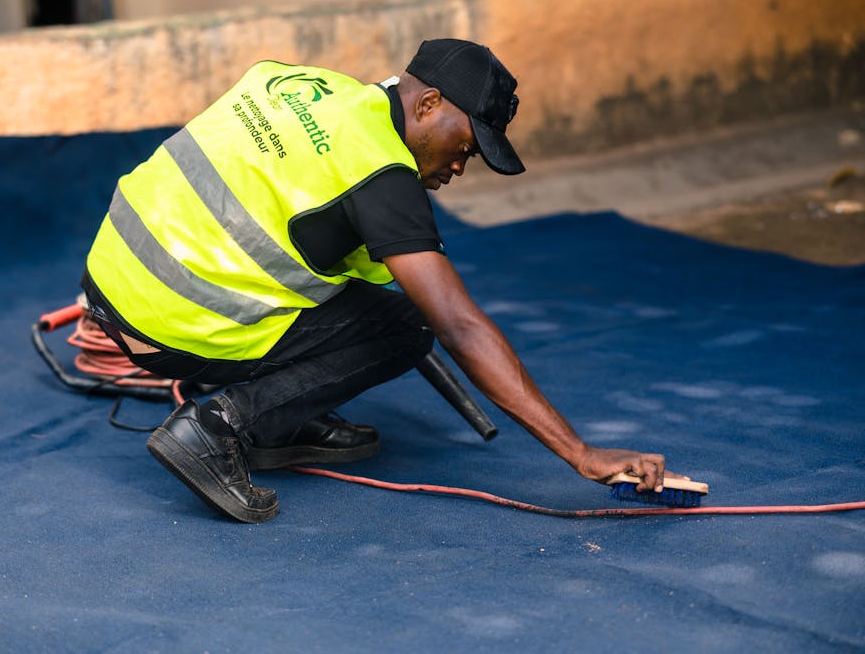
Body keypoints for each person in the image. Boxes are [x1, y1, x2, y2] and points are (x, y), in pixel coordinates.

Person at [81, 38, 678, 523]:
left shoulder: (304, 84)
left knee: (367, 295)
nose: (457, 168)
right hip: (171, 326)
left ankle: (280, 420)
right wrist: (580, 452)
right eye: (465, 147)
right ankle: (218, 427)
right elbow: (460, 327)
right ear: (427, 105)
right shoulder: (380, 176)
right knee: (410, 323)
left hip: (111, 275)